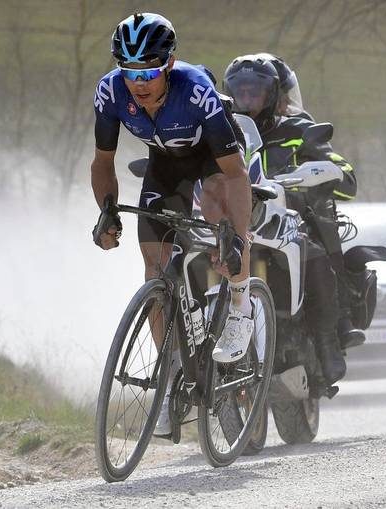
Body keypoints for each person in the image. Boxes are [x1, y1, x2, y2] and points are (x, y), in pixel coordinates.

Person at [91, 13, 254, 436]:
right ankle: (170, 376)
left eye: (147, 71)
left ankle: (241, 306)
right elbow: (103, 161)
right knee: (154, 266)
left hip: (215, 158)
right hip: (166, 164)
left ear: (167, 64)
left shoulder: (196, 90)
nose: (138, 82)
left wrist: (236, 237)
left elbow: (236, 175)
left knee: (221, 214)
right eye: (129, 71)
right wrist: (107, 210)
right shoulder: (110, 93)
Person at [222, 54, 356, 384]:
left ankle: (326, 342)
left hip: (290, 221)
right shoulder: (222, 131)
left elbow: (347, 177)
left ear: (274, 97)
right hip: (235, 222)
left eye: (256, 93)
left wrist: (323, 174)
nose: (248, 100)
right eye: (242, 93)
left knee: (313, 252)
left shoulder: (300, 131)